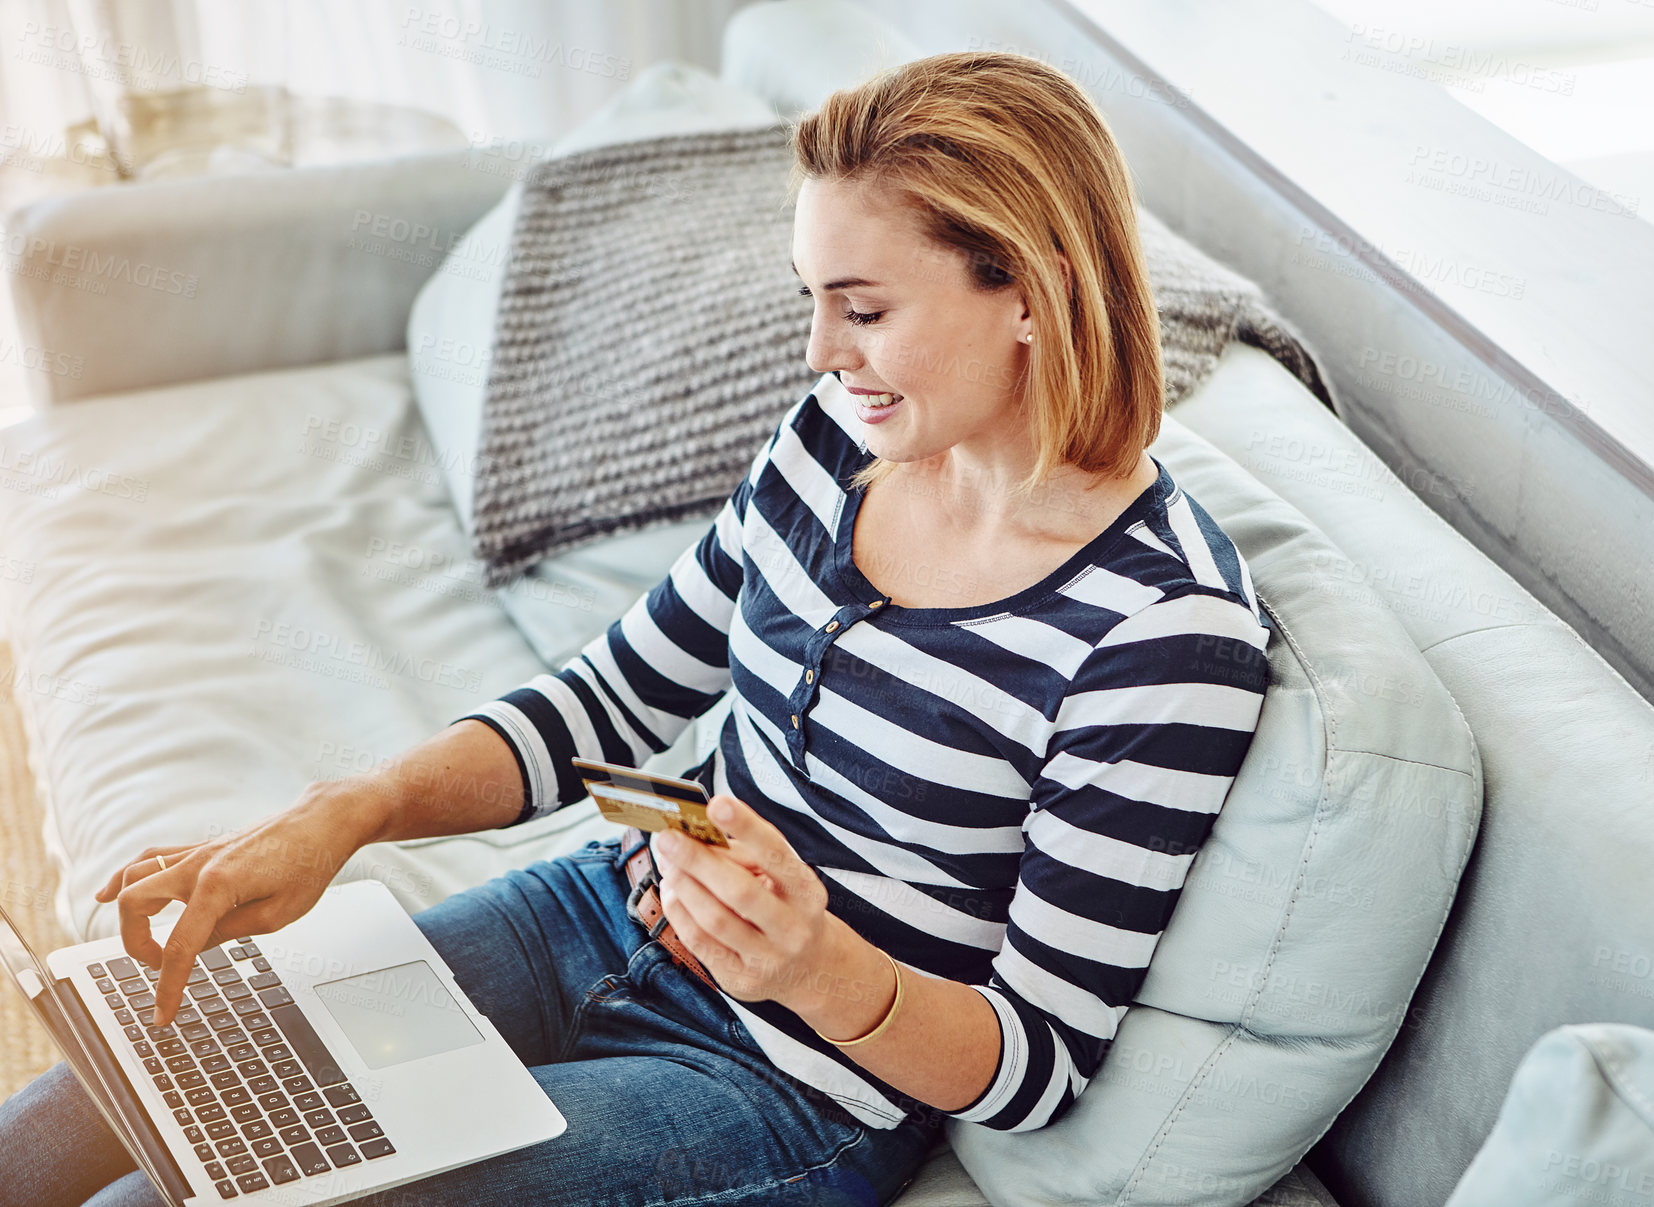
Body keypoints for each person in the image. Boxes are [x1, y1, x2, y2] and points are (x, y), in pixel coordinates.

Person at [0, 49, 1271, 1207]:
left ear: (1035, 292)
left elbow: (1034, 1065)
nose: (821, 350)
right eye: (812, 299)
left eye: (864, 308)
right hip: (594, 911)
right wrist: (353, 811)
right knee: (121, 1085)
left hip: (785, 1087)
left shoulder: (1161, 637)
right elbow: (612, 702)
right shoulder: (837, 444)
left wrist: (818, 967)